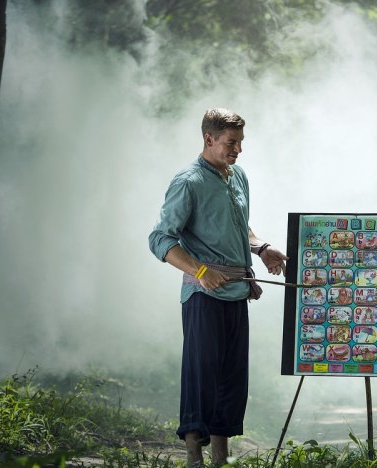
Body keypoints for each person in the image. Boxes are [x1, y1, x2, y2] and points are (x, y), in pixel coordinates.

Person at [148, 108, 288, 467]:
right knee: (202, 371)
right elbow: (161, 238)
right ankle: (194, 453)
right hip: (203, 294)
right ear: (209, 139)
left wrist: (262, 248)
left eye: (240, 142)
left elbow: (241, 226)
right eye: (231, 142)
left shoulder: (237, 176)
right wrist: (201, 270)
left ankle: (220, 458)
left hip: (237, 290)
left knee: (231, 374)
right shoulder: (188, 181)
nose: (237, 149)